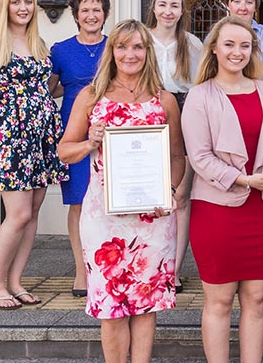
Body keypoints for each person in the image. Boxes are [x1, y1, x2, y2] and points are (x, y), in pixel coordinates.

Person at [58, 19, 182, 363]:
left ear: (148, 53)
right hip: (104, 219)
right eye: (123, 46)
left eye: (138, 47)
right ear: (111, 51)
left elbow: (176, 156)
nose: (130, 54)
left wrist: (168, 191)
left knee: (145, 302)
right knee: (111, 305)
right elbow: (64, 150)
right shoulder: (91, 97)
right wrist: (88, 143)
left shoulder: (164, 100)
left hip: (151, 218)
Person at [181, 16, 263, 363]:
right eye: (229, 44)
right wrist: (244, 180)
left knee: (257, 299)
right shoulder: (199, 96)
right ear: (214, 48)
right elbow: (199, 158)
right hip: (217, 211)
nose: (237, 52)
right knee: (220, 300)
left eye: (245, 45)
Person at [0, 0, 68, 309]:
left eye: (28, 1)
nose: (24, 7)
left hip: (42, 138)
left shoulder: (39, 43)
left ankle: (15, 282)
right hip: (10, 137)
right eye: (16, 1)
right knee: (16, 213)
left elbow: (50, 88)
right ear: (5, 5)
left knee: (32, 214)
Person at [48, 0, 111, 298]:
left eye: (96, 10)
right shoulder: (60, 50)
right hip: (74, 131)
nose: (91, 15)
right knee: (79, 202)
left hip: (111, 130)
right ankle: (81, 270)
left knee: (109, 201)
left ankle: (108, 264)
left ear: (105, 15)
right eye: (85, 10)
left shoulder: (116, 47)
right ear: (75, 15)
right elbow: (52, 89)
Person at [145, 0, 202, 293]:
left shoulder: (192, 45)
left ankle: (173, 270)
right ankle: (148, 262)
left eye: (175, 6)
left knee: (180, 196)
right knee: (151, 193)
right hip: (148, 113)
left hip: (184, 111)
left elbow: (202, 86)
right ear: (154, 7)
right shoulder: (140, 40)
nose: (168, 11)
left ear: (182, 11)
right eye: (163, 5)